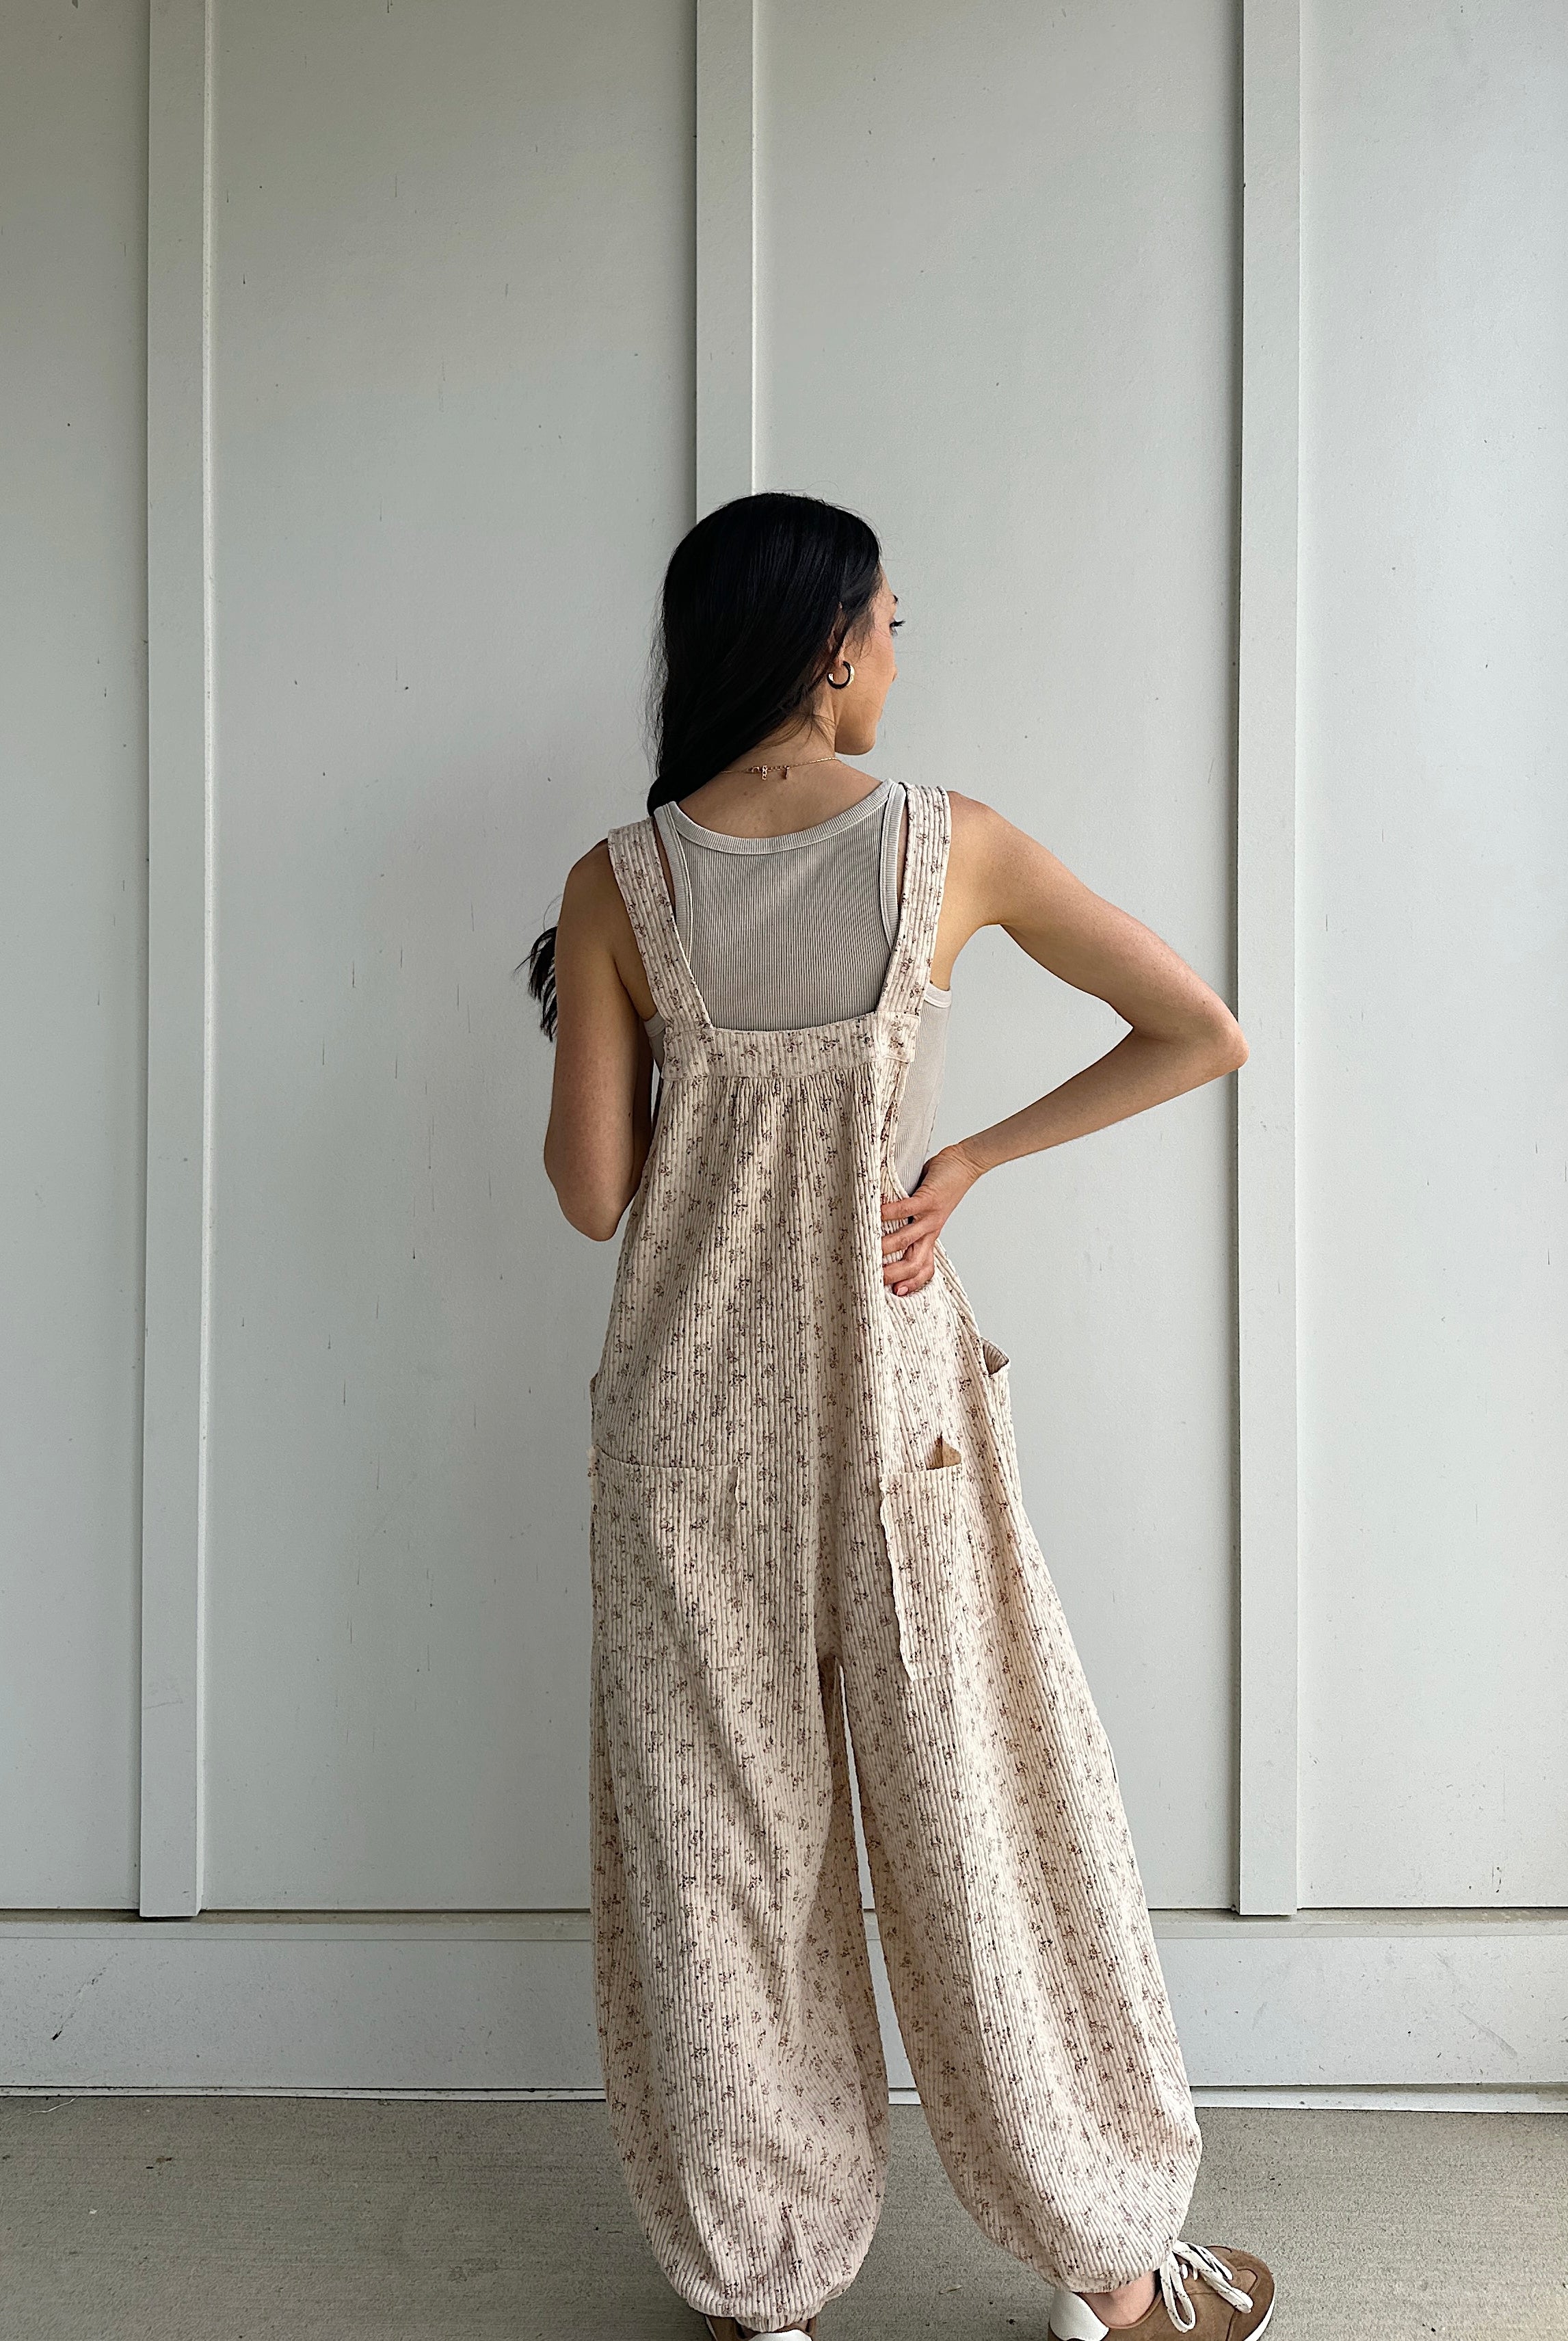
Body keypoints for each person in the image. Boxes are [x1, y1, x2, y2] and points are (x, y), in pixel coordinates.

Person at [530, 492, 1274, 2341]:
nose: (896, 652)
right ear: (830, 641)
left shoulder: (619, 883)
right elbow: (1202, 1030)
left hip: (688, 1443)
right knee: (986, 1827)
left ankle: (758, 2292)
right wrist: (972, 1159)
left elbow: (592, 1195)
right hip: (898, 1439)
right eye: (891, 621)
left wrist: (589, 1020)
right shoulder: (957, 849)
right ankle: (1117, 2277)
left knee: (725, 1860)